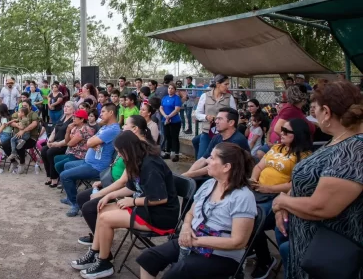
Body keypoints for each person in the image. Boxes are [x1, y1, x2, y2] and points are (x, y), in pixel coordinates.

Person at [272, 81, 362, 279]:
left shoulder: (353, 149)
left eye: (315, 110)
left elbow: (321, 207)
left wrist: (280, 201)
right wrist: (285, 204)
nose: (313, 116)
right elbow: (309, 182)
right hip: (309, 246)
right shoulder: (338, 140)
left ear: (327, 112)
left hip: (330, 255)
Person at [137, 143, 257, 279]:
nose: (207, 161)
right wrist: (186, 228)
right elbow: (190, 213)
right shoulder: (209, 184)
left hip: (221, 255)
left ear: (226, 167)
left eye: (212, 158)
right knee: (148, 258)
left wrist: (197, 241)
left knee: (177, 272)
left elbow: (238, 242)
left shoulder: (243, 197)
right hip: (192, 240)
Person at [71, 131, 180, 278]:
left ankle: (104, 263)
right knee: (102, 210)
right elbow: (131, 188)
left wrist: (133, 201)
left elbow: (160, 199)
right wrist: (108, 195)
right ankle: (95, 253)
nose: (119, 156)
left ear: (128, 149)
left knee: (105, 219)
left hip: (161, 214)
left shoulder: (150, 163)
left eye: (120, 152)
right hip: (146, 207)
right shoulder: (137, 159)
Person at [76, 114, 157, 245]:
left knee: (90, 207)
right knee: (83, 198)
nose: (123, 126)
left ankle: (102, 242)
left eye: (126, 124)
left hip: (126, 190)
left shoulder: (138, 150)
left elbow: (125, 181)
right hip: (117, 184)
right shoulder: (129, 144)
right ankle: (100, 239)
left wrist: (104, 193)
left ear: (135, 129)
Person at [249, 118, 313, 279]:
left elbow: (294, 185)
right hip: (258, 191)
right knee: (236, 209)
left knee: (251, 218)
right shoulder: (277, 147)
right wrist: (253, 180)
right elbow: (258, 166)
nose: (281, 133)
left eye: (286, 131)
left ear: (297, 134)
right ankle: (250, 248)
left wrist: (267, 188)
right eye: (281, 130)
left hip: (278, 198)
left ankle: (264, 261)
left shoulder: (305, 157)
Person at [60, 103, 121, 217]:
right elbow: (91, 141)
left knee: (65, 175)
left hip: (97, 166)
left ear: (111, 113)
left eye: (103, 112)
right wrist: (94, 142)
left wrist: (93, 142)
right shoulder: (105, 127)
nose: (100, 114)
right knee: (67, 165)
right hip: (89, 162)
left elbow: (89, 142)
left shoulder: (113, 129)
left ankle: (75, 204)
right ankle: (70, 197)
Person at [183, 108, 250, 180]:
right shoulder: (217, 137)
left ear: (231, 123)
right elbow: (203, 159)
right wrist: (187, 175)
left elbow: (219, 166)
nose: (216, 121)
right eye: (216, 119)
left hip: (232, 179)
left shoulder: (237, 141)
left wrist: (190, 175)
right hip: (217, 174)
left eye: (220, 119)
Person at [192, 74, 236, 160]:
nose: (228, 86)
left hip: (223, 134)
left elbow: (234, 115)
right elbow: (197, 113)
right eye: (226, 84)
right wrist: (206, 117)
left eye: (228, 84)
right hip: (207, 132)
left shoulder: (229, 97)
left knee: (220, 159)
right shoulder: (205, 96)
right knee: (202, 158)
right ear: (218, 84)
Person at [41, 101, 75, 186]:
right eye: (65, 106)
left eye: (68, 107)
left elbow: (70, 139)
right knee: (44, 150)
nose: (65, 108)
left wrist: (56, 144)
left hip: (64, 145)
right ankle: (49, 176)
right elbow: (54, 131)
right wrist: (49, 141)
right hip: (55, 142)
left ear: (73, 109)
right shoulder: (62, 117)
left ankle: (55, 178)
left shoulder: (73, 121)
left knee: (50, 152)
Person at [54, 109, 95, 175]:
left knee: (58, 165)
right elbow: (67, 141)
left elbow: (70, 144)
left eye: (76, 117)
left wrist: (70, 138)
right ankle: (63, 177)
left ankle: (66, 178)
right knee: (56, 158)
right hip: (73, 152)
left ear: (82, 119)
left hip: (80, 155)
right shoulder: (75, 127)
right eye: (74, 117)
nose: (74, 119)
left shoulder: (84, 129)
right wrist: (68, 131)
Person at [160, 83, 183, 161]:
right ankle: (167, 153)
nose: (170, 90)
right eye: (169, 88)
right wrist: (165, 116)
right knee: (167, 136)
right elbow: (161, 108)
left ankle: (176, 154)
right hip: (165, 120)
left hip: (175, 121)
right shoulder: (164, 98)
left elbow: (177, 109)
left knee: (174, 137)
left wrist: (169, 116)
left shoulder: (176, 98)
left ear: (175, 90)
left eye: (172, 88)